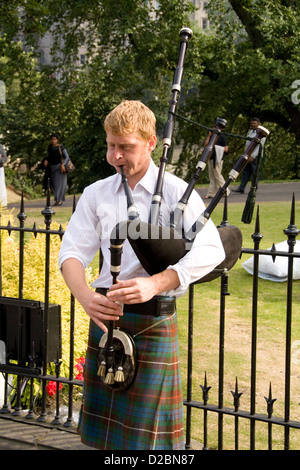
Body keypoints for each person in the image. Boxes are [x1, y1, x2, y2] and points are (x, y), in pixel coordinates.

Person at [59, 100, 225, 450]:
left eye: (126, 147)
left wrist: (156, 282)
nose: (116, 156)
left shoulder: (177, 192)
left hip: (153, 319)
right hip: (107, 321)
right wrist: (86, 297)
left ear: (151, 143)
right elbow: (72, 252)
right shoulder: (96, 194)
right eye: (111, 145)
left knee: (152, 445)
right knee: (102, 440)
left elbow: (212, 250)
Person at [232, 117, 266, 194]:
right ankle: (241, 188)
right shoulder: (251, 131)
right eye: (252, 123)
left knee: (255, 172)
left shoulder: (261, 133)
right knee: (245, 172)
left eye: (255, 123)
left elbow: (260, 146)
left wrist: (253, 156)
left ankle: (254, 188)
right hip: (248, 155)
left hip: (255, 156)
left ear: (258, 123)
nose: (253, 125)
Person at [204, 123, 229, 199]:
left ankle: (225, 190)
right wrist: (209, 135)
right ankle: (212, 193)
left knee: (217, 175)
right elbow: (205, 145)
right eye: (213, 127)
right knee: (212, 176)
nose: (214, 128)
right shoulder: (211, 137)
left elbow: (226, 149)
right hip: (211, 158)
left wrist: (217, 148)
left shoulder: (222, 137)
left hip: (218, 158)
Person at [44, 133, 69, 205]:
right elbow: (49, 156)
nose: (53, 141)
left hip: (60, 168)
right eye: (52, 139)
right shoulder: (50, 147)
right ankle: (57, 199)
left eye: (55, 139)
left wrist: (63, 164)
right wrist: (46, 160)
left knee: (60, 184)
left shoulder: (61, 147)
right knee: (54, 185)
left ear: (57, 140)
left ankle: (59, 200)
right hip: (52, 168)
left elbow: (67, 157)